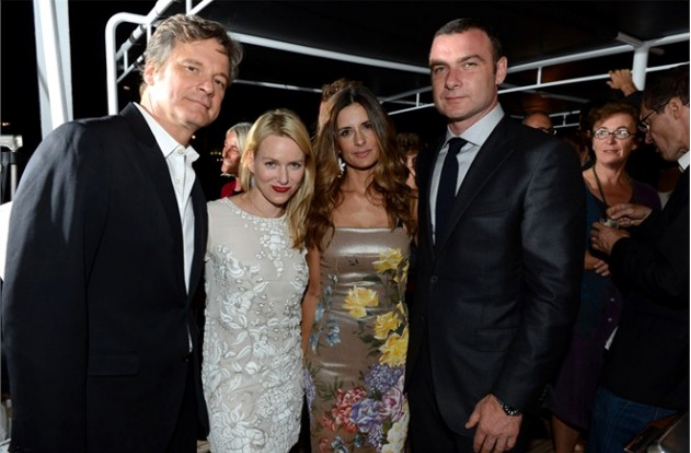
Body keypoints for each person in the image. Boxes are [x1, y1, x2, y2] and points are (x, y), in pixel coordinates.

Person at [1, 14, 242, 453]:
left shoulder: (190, 181)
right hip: (99, 421)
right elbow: (37, 313)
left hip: (170, 416)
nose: (208, 86)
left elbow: (174, 304)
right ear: (151, 71)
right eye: (192, 68)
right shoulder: (83, 147)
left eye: (220, 81)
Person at [406, 18, 585, 453]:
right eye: (439, 68)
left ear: (500, 70)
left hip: (489, 395)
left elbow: (554, 295)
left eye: (468, 64)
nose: (451, 80)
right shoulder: (429, 160)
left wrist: (509, 399)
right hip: (425, 386)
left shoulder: (541, 159)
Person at [302, 85, 416, 452]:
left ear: (381, 130)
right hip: (329, 364)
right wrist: (302, 363)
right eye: (347, 132)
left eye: (367, 127)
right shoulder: (320, 202)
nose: (360, 140)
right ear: (335, 143)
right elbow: (314, 292)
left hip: (390, 362)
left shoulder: (407, 201)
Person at [548, 101, 660, 453]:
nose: (611, 140)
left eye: (622, 132)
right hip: (579, 311)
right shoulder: (566, 186)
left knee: (609, 403)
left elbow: (658, 255)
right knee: (570, 397)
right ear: (590, 138)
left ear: (636, 141)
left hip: (629, 315)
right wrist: (592, 260)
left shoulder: (647, 196)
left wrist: (627, 258)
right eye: (602, 132)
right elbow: (540, 248)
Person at [589, 64, 689, 453]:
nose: (647, 136)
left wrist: (617, 245)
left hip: (650, 373)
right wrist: (650, 221)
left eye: (646, 122)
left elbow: (673, 279)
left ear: (675, 109)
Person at [202, 109, 314, 452]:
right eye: (271, 164)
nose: (283, 177)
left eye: (294, 165)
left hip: (285, 387)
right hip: (231, 390)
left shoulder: (304, 225)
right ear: (250, 160)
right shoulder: (211, 218)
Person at [219, 121, 252, 198]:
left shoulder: (259, 195)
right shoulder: (226, 190)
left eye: (234, 150)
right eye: (225, 145)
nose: (224, 154)